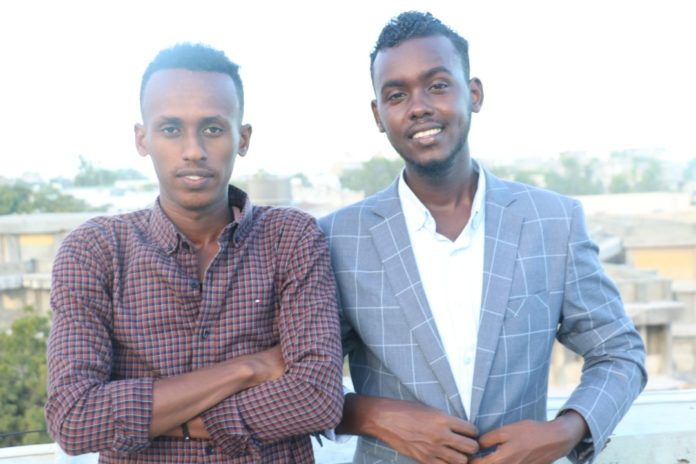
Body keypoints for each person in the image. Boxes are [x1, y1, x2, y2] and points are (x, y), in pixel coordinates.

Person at [319, 11, 647, 464]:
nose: (419, 106)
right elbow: (302, 380)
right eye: (397, 94)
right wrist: (376, 416)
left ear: (474, 93)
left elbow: (619, 351)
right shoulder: (336, 237)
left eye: (437, 85)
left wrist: (566, 430)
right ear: (378, 114)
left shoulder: (553, 221)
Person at [45, 43, 344, 463]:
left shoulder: (290, 238)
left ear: (243, 138)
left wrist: (170, 419)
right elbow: (75, 419)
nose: (193, 151)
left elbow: (318, 396)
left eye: (213, 128)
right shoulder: (96, 250)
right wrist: (248, 369)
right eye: (170, 129)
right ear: (142, 138)